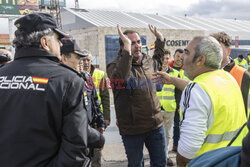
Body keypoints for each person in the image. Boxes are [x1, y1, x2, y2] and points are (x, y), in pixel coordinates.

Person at [0, 13, 90, 166]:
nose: (61, 45)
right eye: (57, 39)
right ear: (44, 42)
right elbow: (76, 148)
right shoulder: (68, 80)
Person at [154, 36, 247, 167]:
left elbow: (187, 150)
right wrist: (171, 79)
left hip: (206, 162)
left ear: (200, 59)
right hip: (232, 160)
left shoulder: (196, 90)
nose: (181, 57)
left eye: (186, 52)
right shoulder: (228, 78)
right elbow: (202, 89)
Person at [107, 24, 167, 167]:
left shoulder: (147, 61)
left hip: (156, 125)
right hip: (133, 130)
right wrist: (127, 52)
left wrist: (159, 39)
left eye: (138, 42)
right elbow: (120, 80)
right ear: (123, 47)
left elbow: (158, 57)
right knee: (135, 164)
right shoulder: (114, 66)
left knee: (160, 163)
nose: (137, 45)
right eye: (131, 43)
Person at [79, 50, 106, 167]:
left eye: (87, 60)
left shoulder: (89, 78)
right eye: (82, 60)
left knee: (96, 156)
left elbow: (96, 100)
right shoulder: (69, 77)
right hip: (78, 127)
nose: (84, 63)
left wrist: (101, 122)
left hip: (92, 124)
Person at [157, 49, 180, 166]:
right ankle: (158, 156)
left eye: (167, 58)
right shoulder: (154, 73)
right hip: (156, 110)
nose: (165, 61)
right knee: (156, 136)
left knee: (167, 135)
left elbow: (178, 92)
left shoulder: (175, 73)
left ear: (169, 59)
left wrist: (178, 105)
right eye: (163, 58)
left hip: (170, 108)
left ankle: (165, 156)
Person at [81, 51, 110, 128]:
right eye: (84, 60)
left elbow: (105, 98)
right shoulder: (75, 74)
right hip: (82, 117)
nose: (86, 62)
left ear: (91, 61)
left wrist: (106, 117)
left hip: (97, 116)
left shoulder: (100, 74)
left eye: (88, 60)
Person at [168, 48, 185, 153]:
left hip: (179, 102)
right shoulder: (167, 68)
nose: (179, 59)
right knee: (166, 127)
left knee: (178, 125)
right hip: (168, 102)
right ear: (174, 56)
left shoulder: (186, 69)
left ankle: (176, 145)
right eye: (177, 56)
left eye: (181, 57)